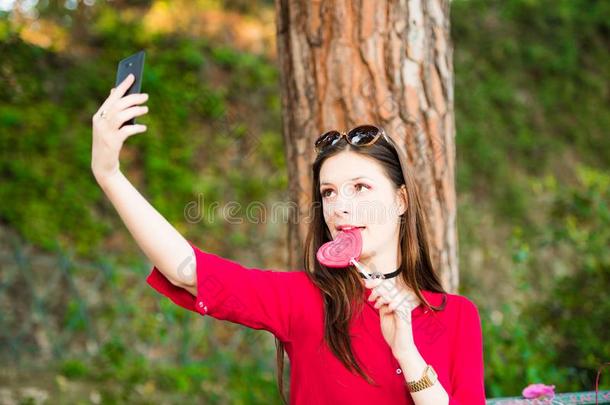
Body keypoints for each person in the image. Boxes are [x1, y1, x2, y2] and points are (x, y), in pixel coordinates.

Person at [91, 73, 486, 405]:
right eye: (329, 192)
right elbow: (187, 271)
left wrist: (408, 355)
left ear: (400, 201)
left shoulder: (457, 317)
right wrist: (110, 174)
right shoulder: (306, 300)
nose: (339, 208)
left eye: (360, 187)